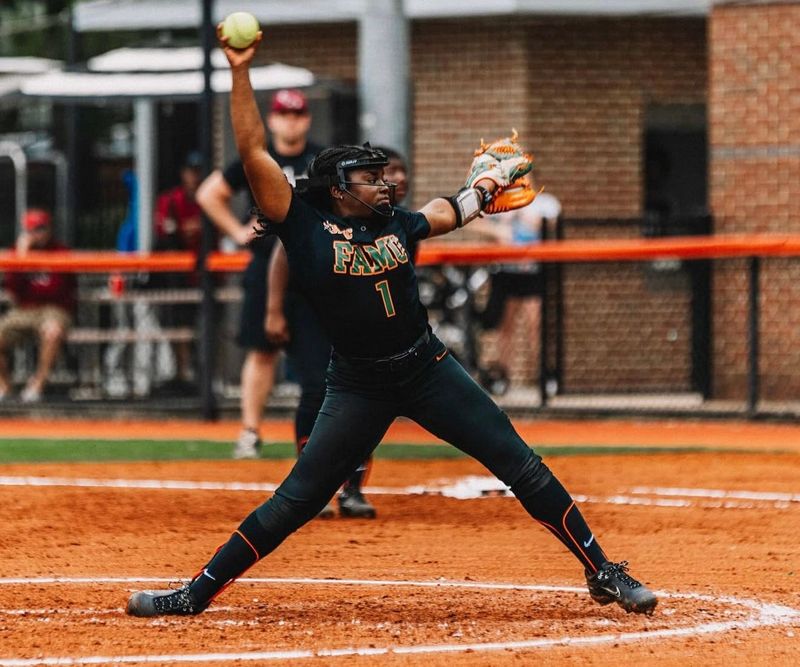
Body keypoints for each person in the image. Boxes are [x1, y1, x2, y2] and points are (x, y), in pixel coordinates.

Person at [126, 29, 657, 618]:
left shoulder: (398, 222)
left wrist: (484, 186)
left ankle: (603, 571)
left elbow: (447, 209)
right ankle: (193, 593)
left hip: (427, 368)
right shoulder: (301, 223)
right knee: (298, 499)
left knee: (519, 463)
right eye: (368, 177)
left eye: (383, 176)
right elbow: (254, 152)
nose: (384, 182)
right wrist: (240, 70)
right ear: (337, 188)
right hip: (358, 383)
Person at [264, 147, 410, 518]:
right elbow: (284, 253)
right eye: (378, 175)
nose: (394, 179)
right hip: (311, 309)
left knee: (370, 398)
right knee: (316, 388)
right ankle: (309, 486)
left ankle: (353, 489)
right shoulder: (321, 217)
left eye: (394, 173)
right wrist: (274, 308)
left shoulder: (398, 220)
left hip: (356, 317)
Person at [196, 87, 322, 459]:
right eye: (284, 114)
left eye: (298, 114)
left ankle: (319, 435)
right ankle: (250, 431)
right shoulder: (257, 157)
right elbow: (208, 193)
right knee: (262, 349)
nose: (291, 121)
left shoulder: (320, 158)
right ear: (271, 119)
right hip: (266, 265)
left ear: (308, 119)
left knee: (319, 357)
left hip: (312, 268)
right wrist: (237, 233)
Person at [471, 181, 561, 393]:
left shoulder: (543, 203)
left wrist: (538, 223)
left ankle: (544, 377)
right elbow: (472, 222)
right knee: (505, 327)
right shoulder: (500, 202)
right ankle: (502, 378)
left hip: (532, 272)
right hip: (506, 272)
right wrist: (497, 230)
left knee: (535, 324)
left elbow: (555, 225)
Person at [0, 209, 76, 403]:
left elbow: (58, 290)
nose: (37, 233)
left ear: (50, 229)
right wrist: (22, 257)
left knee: (52, 331)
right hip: (25, 309)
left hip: (54, 309)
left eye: (41, 228)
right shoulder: (19, 252)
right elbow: (13, 290)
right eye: (32, 229)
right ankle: (4, 386)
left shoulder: (60, 251)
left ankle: (37, 385)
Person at [152, 150, 209, 387]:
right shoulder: (171, 199)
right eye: (190, 171)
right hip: (177, 276)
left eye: (198, 172)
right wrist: (188, 228)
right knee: (178, 326)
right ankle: (183, 374)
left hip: (207, 275)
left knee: (208, 327)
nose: (194, 177)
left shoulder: (212, 196)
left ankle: (208, 378)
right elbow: (165, 230)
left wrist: (197, 227)